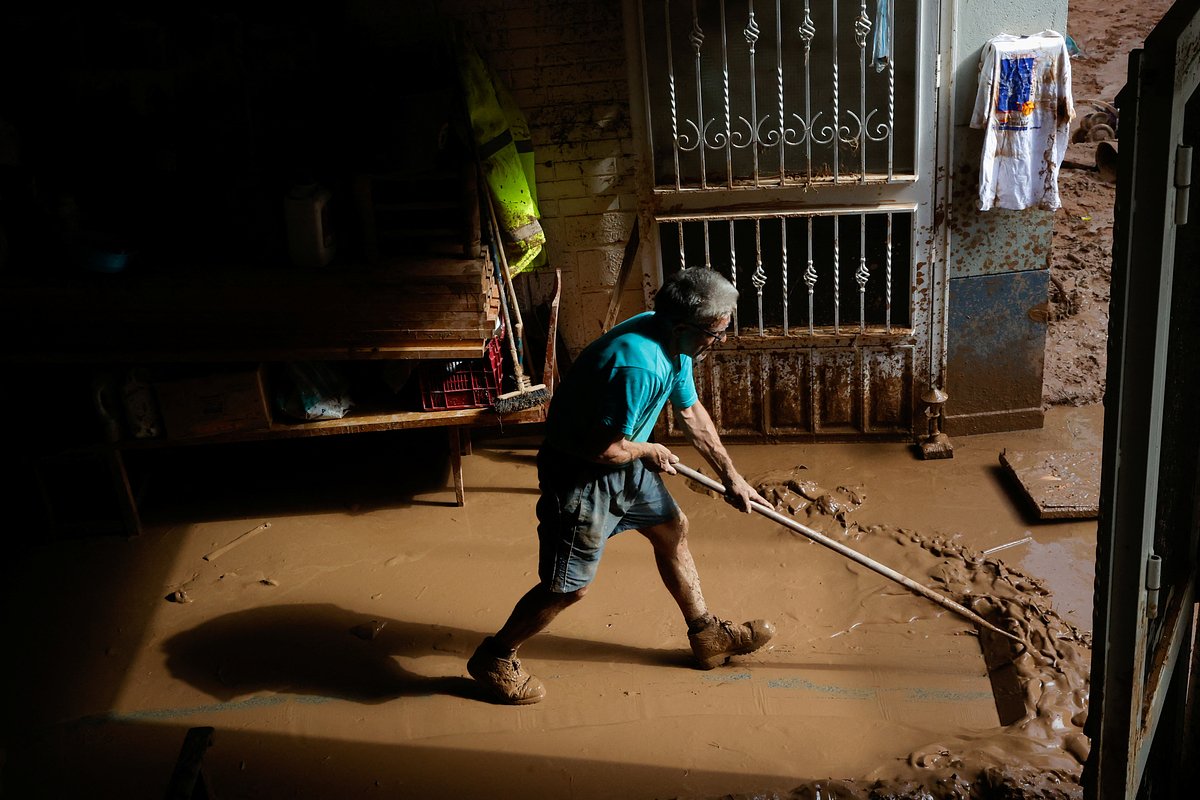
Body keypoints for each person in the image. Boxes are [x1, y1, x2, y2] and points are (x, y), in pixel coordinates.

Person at [467, 266, 776, 704]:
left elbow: (690, 413)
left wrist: (732, 476)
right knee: (568, 586)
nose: (719, 341)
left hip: (624, 464)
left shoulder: (678, 346)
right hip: (582, 477)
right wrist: (647, 451)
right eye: (715, 333)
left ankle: (706, 635)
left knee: (672, 530)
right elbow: (603, 449)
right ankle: (494, 656)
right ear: (682, 325)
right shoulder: (637, 365)